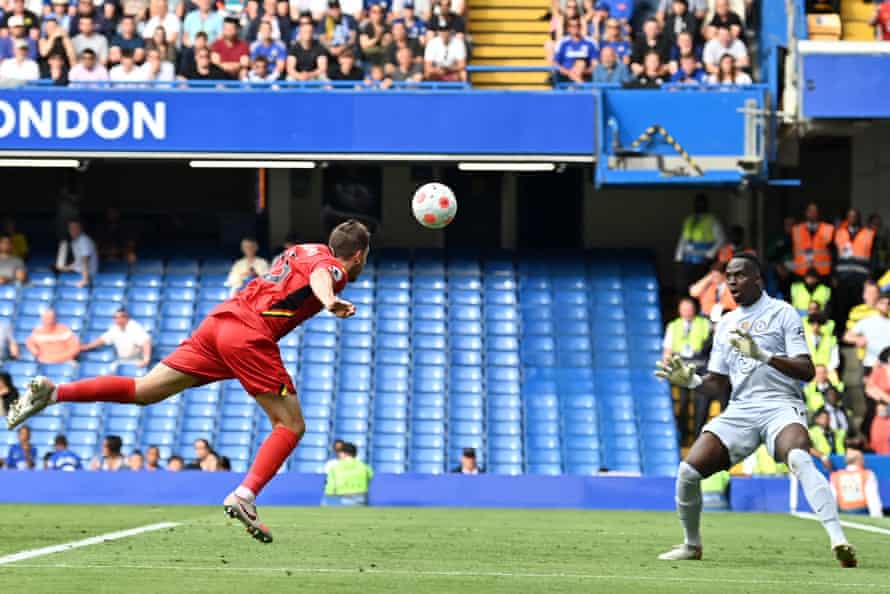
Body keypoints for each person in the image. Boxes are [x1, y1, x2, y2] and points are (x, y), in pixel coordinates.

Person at [7, 221, 370, 544]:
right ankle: (245, 494)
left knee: (144, 390)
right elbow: (325, 275)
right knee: (290, 424)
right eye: (362, 258)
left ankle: (55, 393)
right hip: (249, 335)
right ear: (358, 254)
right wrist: (330, 300)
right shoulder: (334, 266)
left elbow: (307, 270)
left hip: (220, 322)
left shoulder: (302, 249)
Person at [655, 253, 856, 566]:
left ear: (758, 279)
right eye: (729, 276)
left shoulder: (783, 313)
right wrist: (692, 381)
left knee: (800, 458)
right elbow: (718, 384)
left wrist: (763, 355)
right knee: (688, 471)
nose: (732, 281)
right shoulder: (725, 325)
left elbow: (806, 370)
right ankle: (691, 544)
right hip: (742, 408)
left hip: (781, 404)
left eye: (739, 275)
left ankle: (838, 540)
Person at [662, 298, 713, 442]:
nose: (687, 312)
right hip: (681, 369)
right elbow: (667, 350)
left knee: (701, 404)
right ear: (679, 310)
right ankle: (683, 435)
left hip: (701, 369)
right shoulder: (673, 326)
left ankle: (698, 437)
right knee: (683, 402)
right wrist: (665, 366)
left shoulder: (705, 323)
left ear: (694, 309)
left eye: (689, 308)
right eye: (684, 309)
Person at [834, 208, 877, 332]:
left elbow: (874, 257)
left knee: (859, 308)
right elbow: (833, 255)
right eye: (850, 216)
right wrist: (834, 275)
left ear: (859, 218)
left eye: (855, 216)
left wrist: (871, 276)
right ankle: (842, 335)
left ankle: (857, 333)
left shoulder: (869, 233)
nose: (853, 218)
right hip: (843, 278)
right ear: (847, 218)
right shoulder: (839, 233)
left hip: (861, 279)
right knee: (841, 308)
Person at [674, 193, 725, 293]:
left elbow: (721, 240)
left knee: (702, 287)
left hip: (703, 260)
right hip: (688, 259)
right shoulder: (689, 219)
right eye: (697, 203)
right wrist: (678, 256)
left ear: (706, 205)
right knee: (686, 286)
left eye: (702, 203)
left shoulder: (712, 220)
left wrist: (709, 255)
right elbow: (683, 239)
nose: (699, 206)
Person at [79, 308, 152, 367]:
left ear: (126, 318)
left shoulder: (135, 327)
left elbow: (146, 342)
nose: (117, 320)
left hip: (136, 362)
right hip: (121, 361)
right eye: (115, 318)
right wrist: (86, 347)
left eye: (120, 317)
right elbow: (102, 340)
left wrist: (146, 359)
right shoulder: (115, 328)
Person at [844, 292, 890, 375]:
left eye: (888, 303)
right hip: (870, 363)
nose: (886, 306)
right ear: (876, 305)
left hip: (888, 365)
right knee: (871, 387)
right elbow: (847, 336)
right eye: (882, 303)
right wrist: (857, 339)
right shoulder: (867, 321)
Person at [830, 449, 883, 517]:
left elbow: (832, 499)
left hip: (843, 513)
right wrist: (877, 517)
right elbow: (873, 499)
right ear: (858, 460)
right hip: (862, 512)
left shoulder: (836, 476)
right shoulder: (867, 474)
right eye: (863, 459)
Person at [791, 202, 835, 280]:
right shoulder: (796, 230)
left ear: (818, 213)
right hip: (801, 273)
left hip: (822, 274)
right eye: (810, 211)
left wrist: (833, 273)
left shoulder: (828, 229)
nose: (812, 214)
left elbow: (835, 252)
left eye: (815, 211)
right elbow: (788, 250)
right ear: (805, 213)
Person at [54, 219, 98, 288]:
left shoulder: (84, 240)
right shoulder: (74, 242)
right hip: (78, 272)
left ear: (80, 229)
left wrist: (85, 280)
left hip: (88, 274)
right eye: (70, 228)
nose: (72, 230)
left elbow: (85, 260)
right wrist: (66, 268)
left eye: (75, 228)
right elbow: (78, 262)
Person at [804, 313, 839, 382]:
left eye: (818, 324)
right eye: (813, 324)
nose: (816, 326)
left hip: (827, 372)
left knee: (834, 385)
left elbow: (835, 360)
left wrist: (823, 371)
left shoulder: (831, 340)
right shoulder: (804, 339)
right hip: (808, 371)